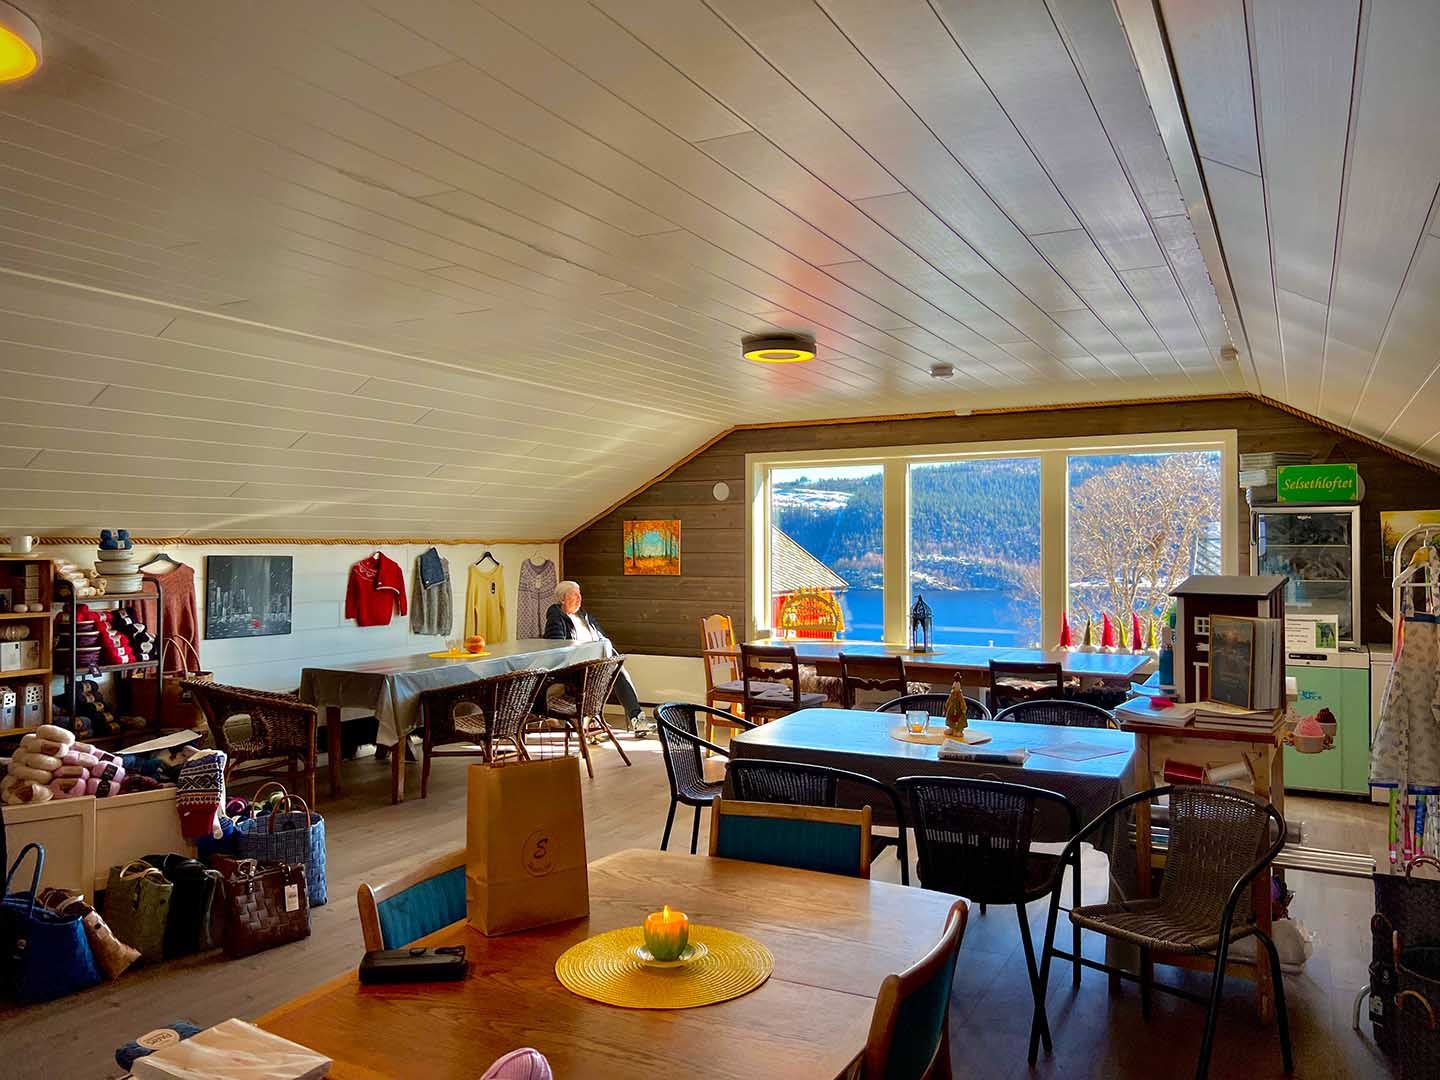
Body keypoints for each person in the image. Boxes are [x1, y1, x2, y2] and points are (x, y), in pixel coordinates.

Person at [543, 580, 645, 728]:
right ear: (562, 599)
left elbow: (603, 639)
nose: (579, 598)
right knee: (612, 670)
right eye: (574, 595)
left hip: (595, 664)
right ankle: (594, 719)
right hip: (574, 668)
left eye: (580, 594)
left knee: (617, 669)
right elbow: (556, 646)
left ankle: (636, 718)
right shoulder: (556, 617)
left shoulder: (585, 617)